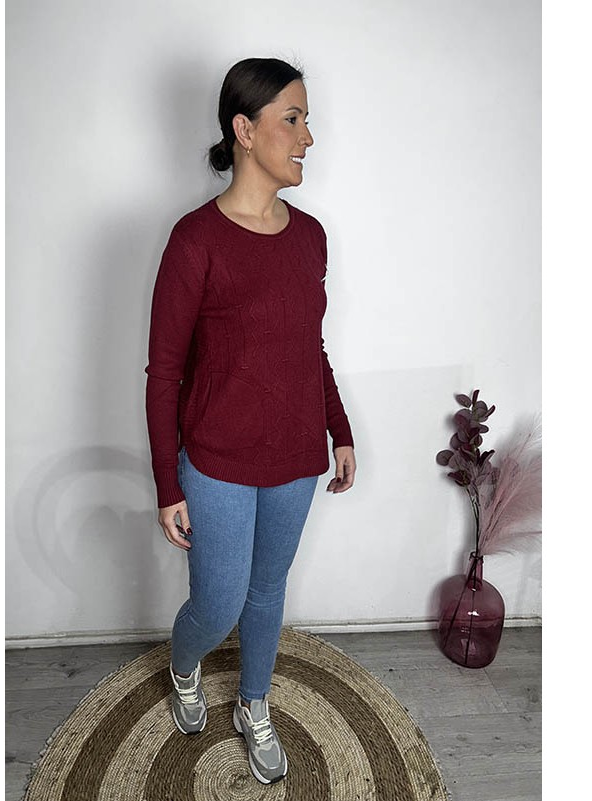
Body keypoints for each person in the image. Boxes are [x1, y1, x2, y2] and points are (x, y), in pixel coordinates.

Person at [144, 56, 356, 785]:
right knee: (218, 600)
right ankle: (183, 666)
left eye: (306, 121)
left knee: (268, 593)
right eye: (292, 119)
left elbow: (308, 347)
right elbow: (164, 373)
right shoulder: (195, 240)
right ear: (244, 128)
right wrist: (167, 482)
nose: (307, 137)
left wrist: (339, 428)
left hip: (296, 454)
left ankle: (253, 703)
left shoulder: (311, 236)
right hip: (217, 461)